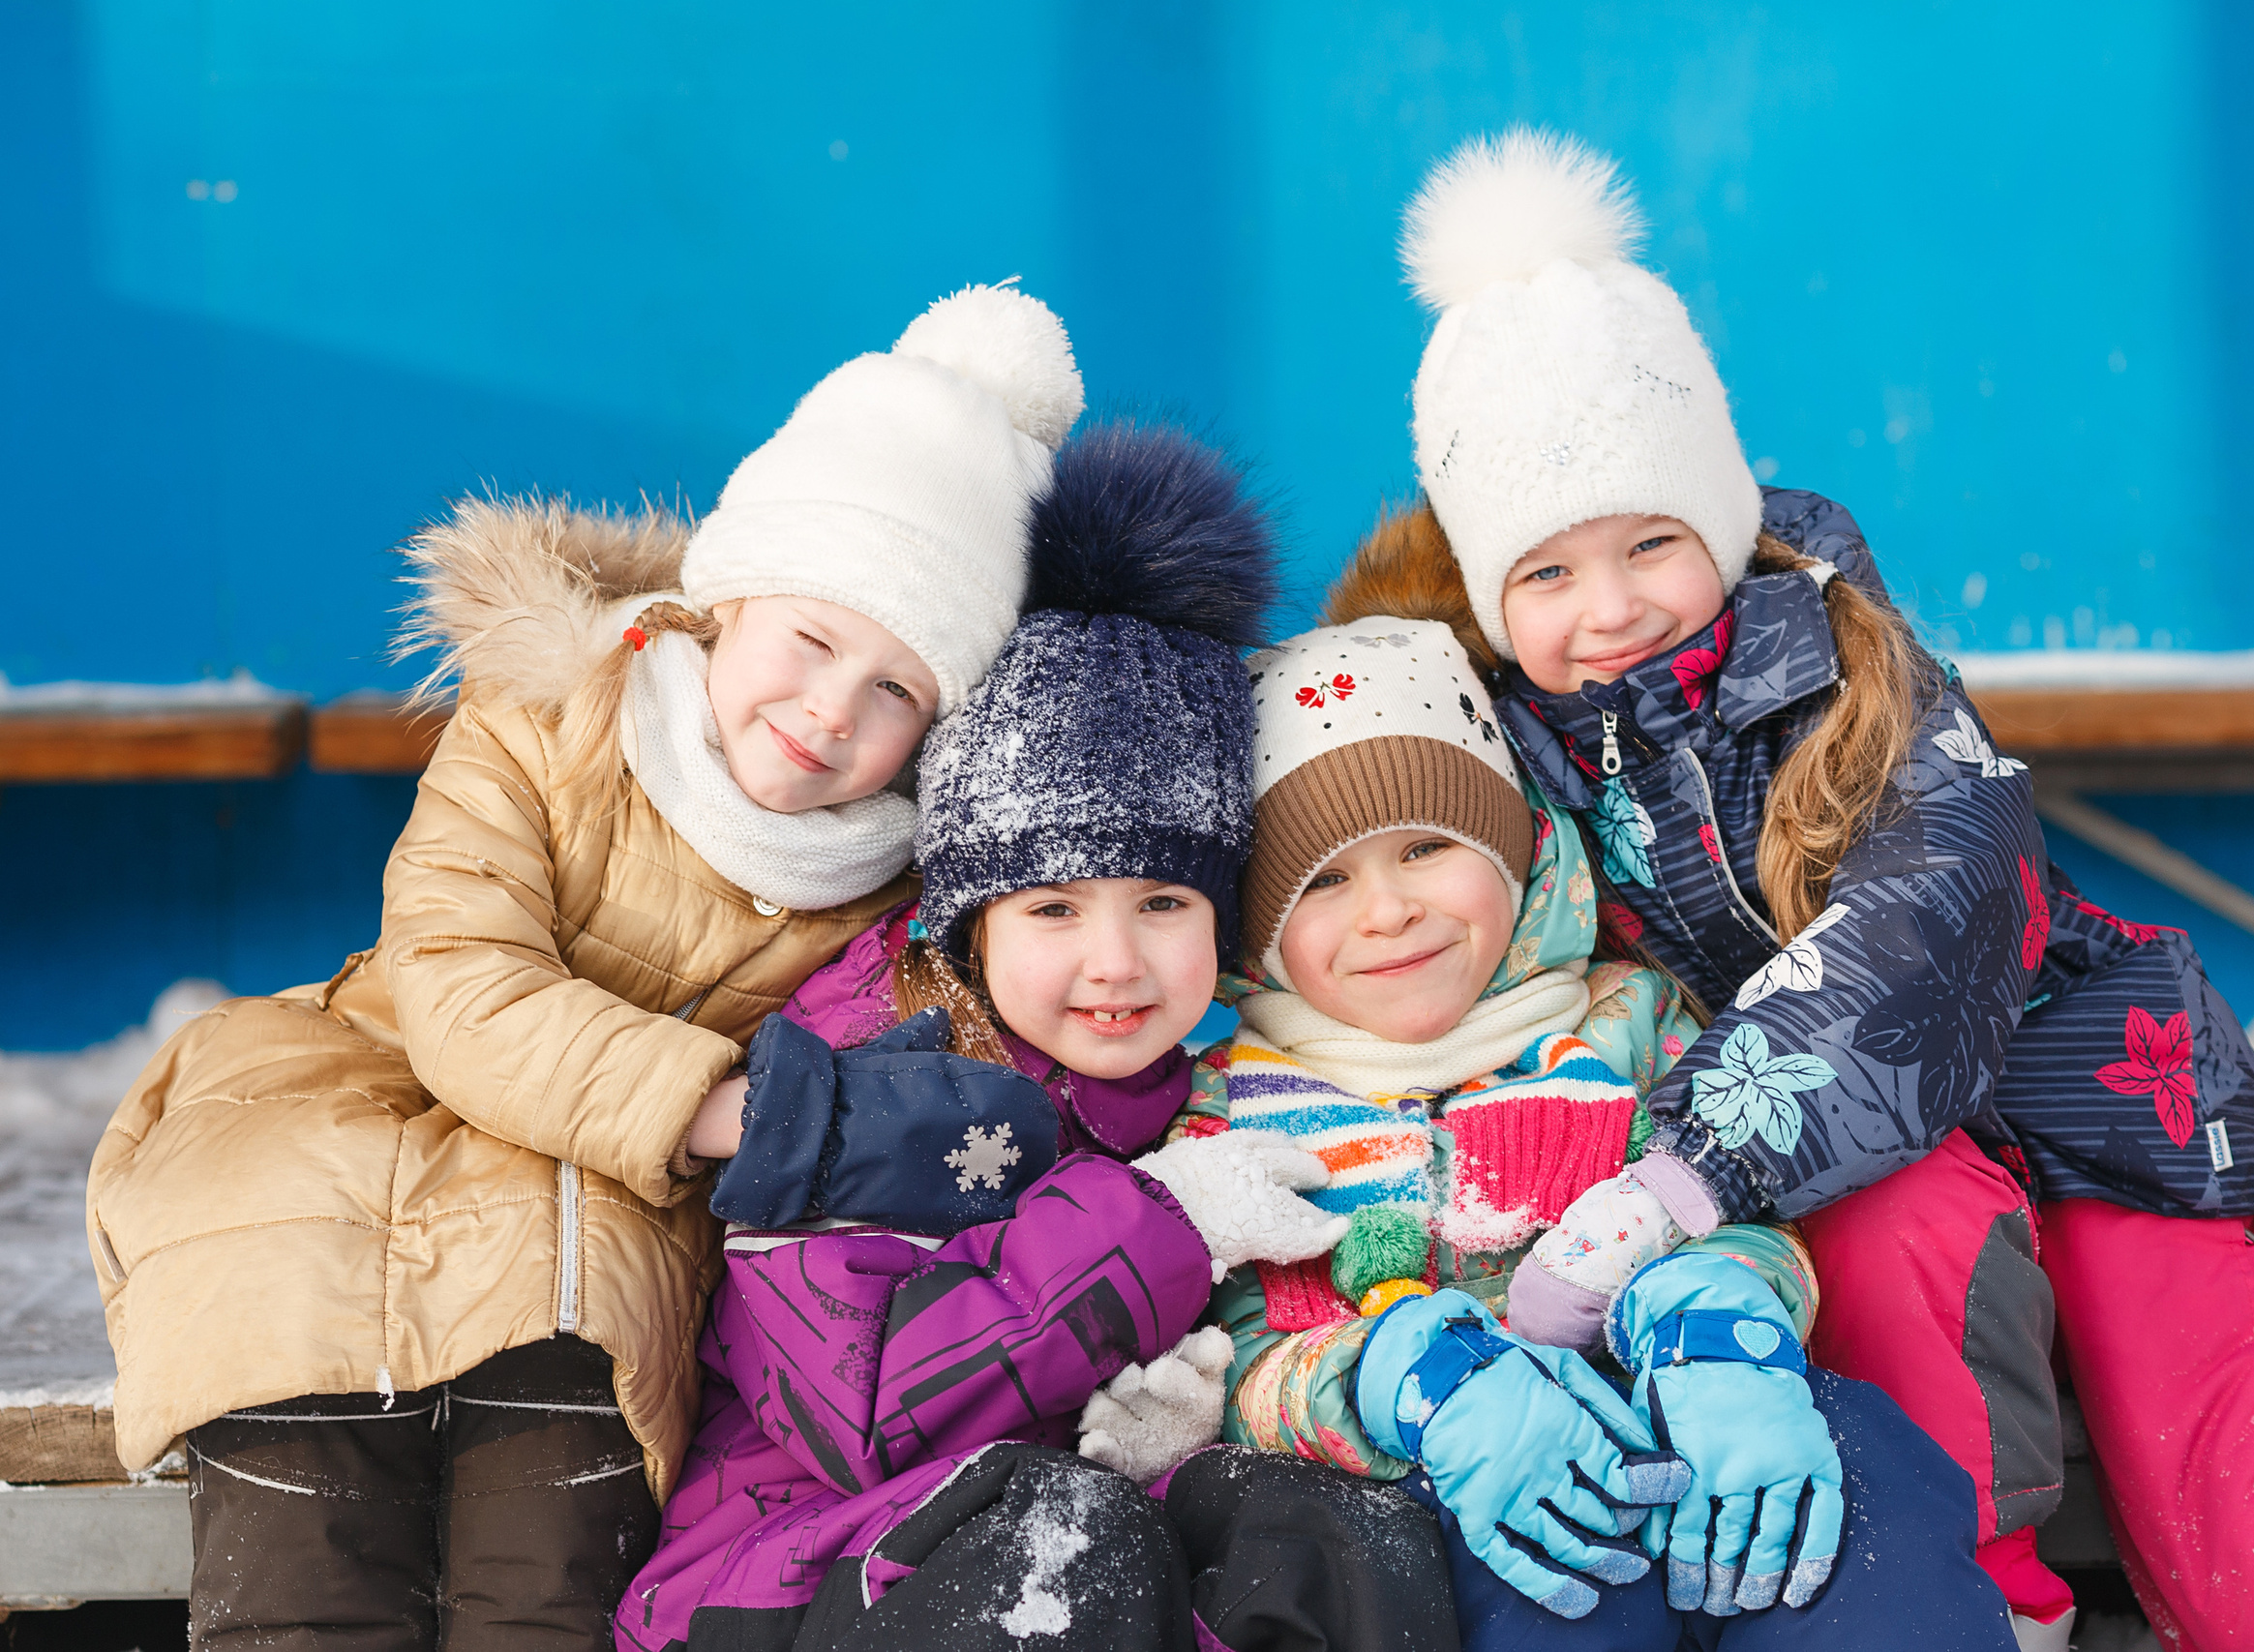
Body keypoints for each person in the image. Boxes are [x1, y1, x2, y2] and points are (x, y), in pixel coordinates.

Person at [1387, 127, 2254, 1652]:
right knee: (1887, 1234)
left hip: (2116, 1133)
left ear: (1720, 520)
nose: (1614, 606)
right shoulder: (1510, 754)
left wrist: (1676, 1174)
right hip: (1872, 1190)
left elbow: (1921, 938)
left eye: (1651, 542)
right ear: (1491, 594)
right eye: (1549, 574)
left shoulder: (1865, 680)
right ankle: (1989, 1614)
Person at [87, 282, 1085, 1649]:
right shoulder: (547, 718)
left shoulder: (895, 890)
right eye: (810, 639)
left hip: (603, 1203)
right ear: (726, 604)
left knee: (557, 1502)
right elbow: (458, 977)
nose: (828, 710)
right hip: (364, 1095)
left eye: (897, 689)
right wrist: (718, 1104)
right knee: (298, 1415)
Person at [619, 423, 1464, 1652]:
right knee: (1068, 1528)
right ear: (970, 922)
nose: (1114, 962)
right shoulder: (862, 1081)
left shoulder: (1203, 1100)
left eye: (1164, 905)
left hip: (1020, 1541)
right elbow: (866, 1414)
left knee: (1327, 1528)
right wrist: (1166, 1222)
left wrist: (1177, 1427)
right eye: (1054, 909)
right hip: (775, 1586)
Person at [1180, 609, 2017, 1651]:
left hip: (1695, 1402)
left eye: (1429, 847)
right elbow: (1233, 1362)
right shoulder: (1229, 1109)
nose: (1387, 911)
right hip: (1457, 1479)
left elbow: (1733, 1192)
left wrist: (1719, 1308)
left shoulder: (1625, 1018)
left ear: (1519, 848)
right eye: (1325, 882)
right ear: (1255, 929)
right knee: (1541, 1604)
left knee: (1860, 1490)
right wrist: (1397, 1380)